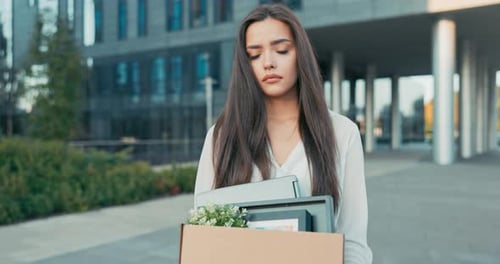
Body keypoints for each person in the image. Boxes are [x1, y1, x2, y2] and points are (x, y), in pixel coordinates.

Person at [194, 4, 372, 264]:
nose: (268, 62)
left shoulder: (342, 132)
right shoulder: (222, 136)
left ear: (300, 54)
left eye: (281, 50)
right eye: (254, 55)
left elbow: (353, 241)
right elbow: (202, 235)